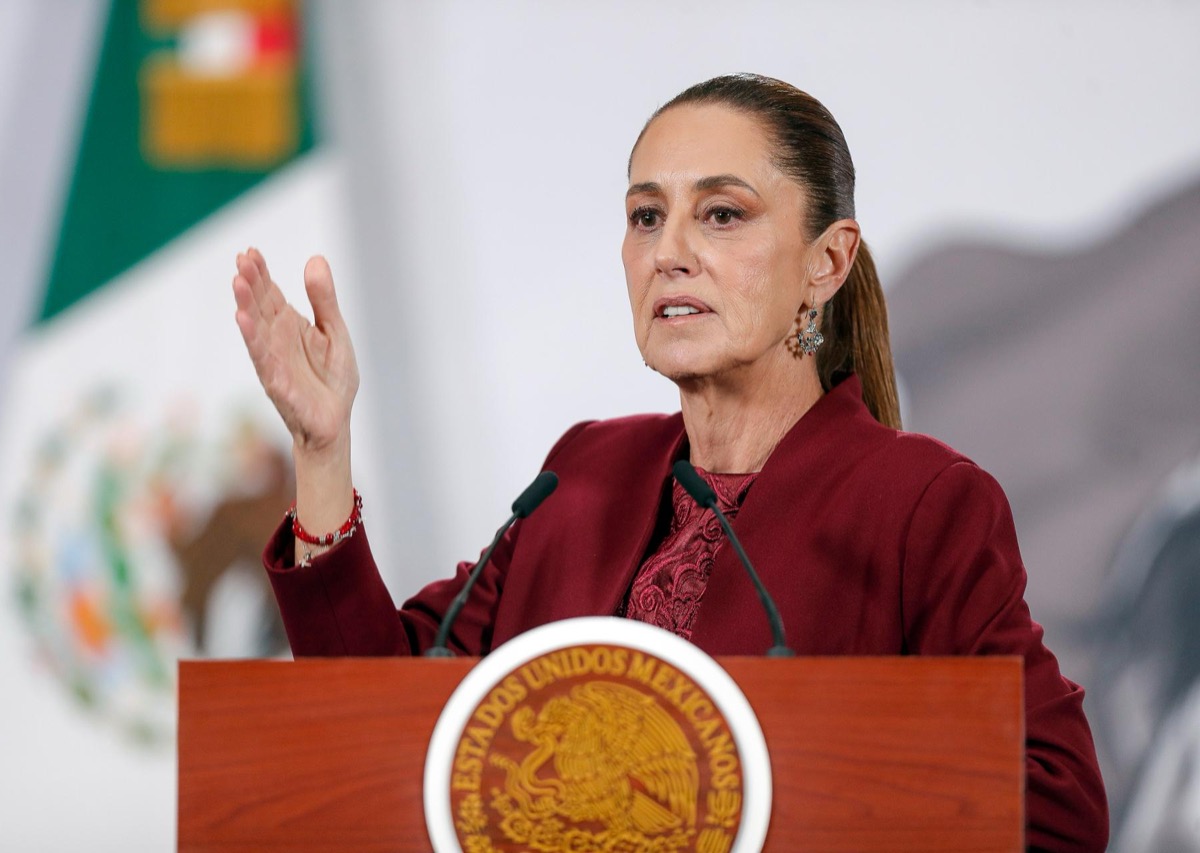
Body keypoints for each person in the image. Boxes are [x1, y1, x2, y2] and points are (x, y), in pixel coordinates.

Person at [231, 74, 1108, 850]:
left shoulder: (920, 503)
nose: (668, 251)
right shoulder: (580, 473)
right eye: (646, 215)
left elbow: (1057, 807)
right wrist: (322, 449)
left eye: (721, 214)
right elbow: (387, 720)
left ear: (827, 261)